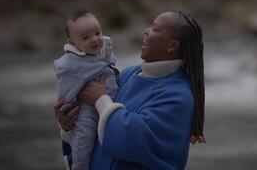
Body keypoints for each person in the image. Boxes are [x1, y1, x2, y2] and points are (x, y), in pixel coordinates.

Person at [54, 11, 206, 170]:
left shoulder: (179, 96)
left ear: (172, 45)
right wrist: (69, 126)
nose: (146, 31)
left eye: (155, 28)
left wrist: (101, 100)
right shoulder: (128, 74)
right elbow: (94, 129)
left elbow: (132, 141)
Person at [53, 9, 119, 170]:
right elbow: (65, 92)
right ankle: (79, 166)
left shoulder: (103, 51)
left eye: (98, 33)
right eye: (85, 37)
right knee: (84, 138)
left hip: (111, 102)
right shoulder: (71, 65)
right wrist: (68, 111)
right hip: (86, 109)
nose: (95, 39)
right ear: (73, 42)